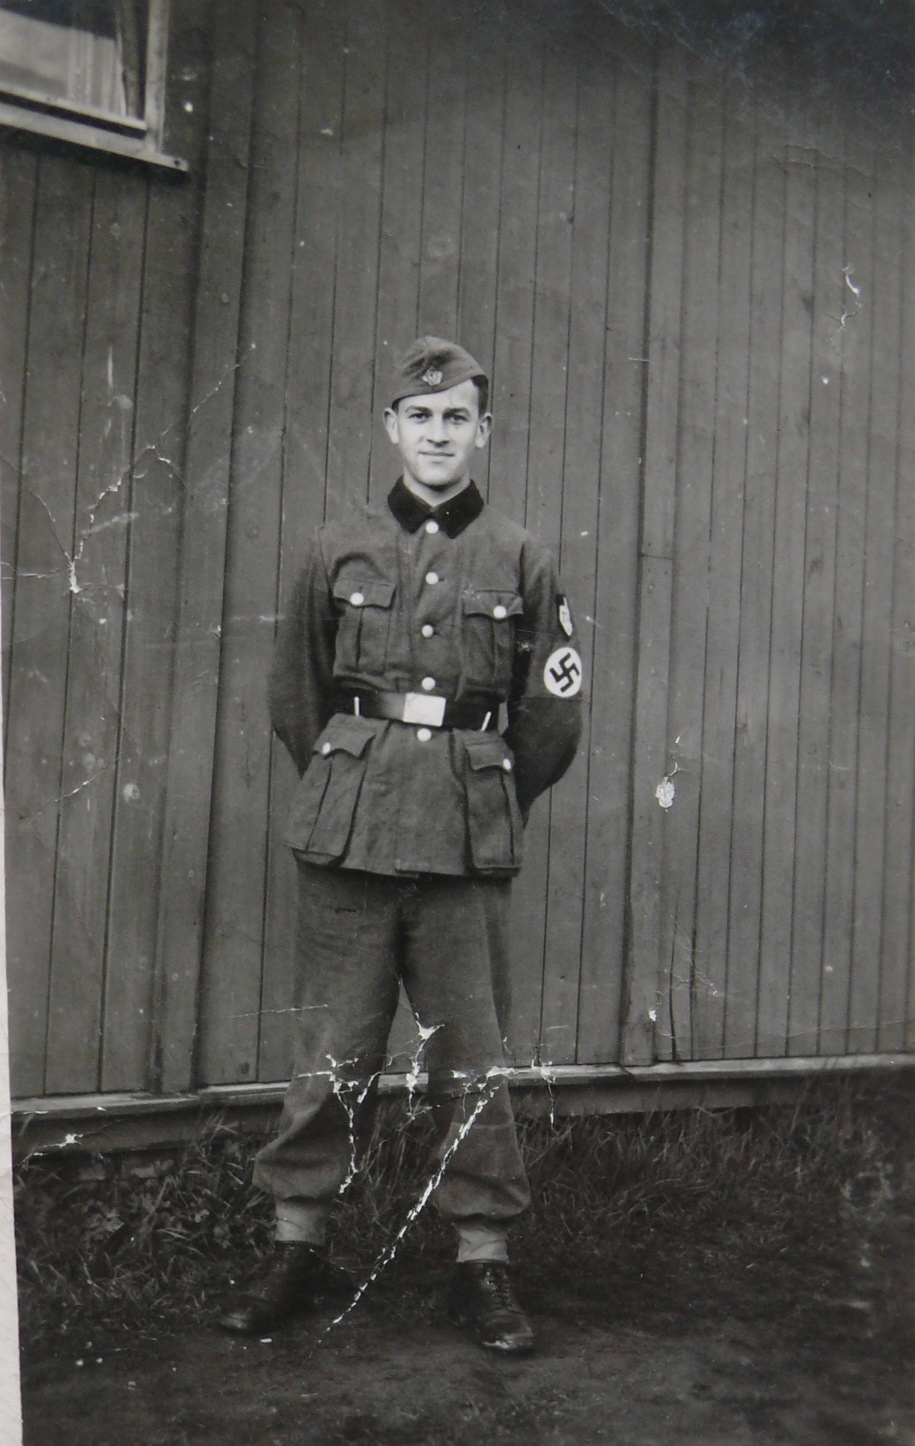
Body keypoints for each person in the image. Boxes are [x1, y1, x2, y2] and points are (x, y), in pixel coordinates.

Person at [218, 337, 583, 1353]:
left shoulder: (520, 556)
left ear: (483, 432)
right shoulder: (336, 548)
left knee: (472, 1057)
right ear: (391, 426)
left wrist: (485, 797)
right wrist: (352, 780)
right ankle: (297, 1248)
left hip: (464, 843)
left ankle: (482, 1263)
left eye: (455, 417)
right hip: (350, 838)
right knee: (332, 1051)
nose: (436, 434)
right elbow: (296, 694)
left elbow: (551, 717)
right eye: (419, 417)